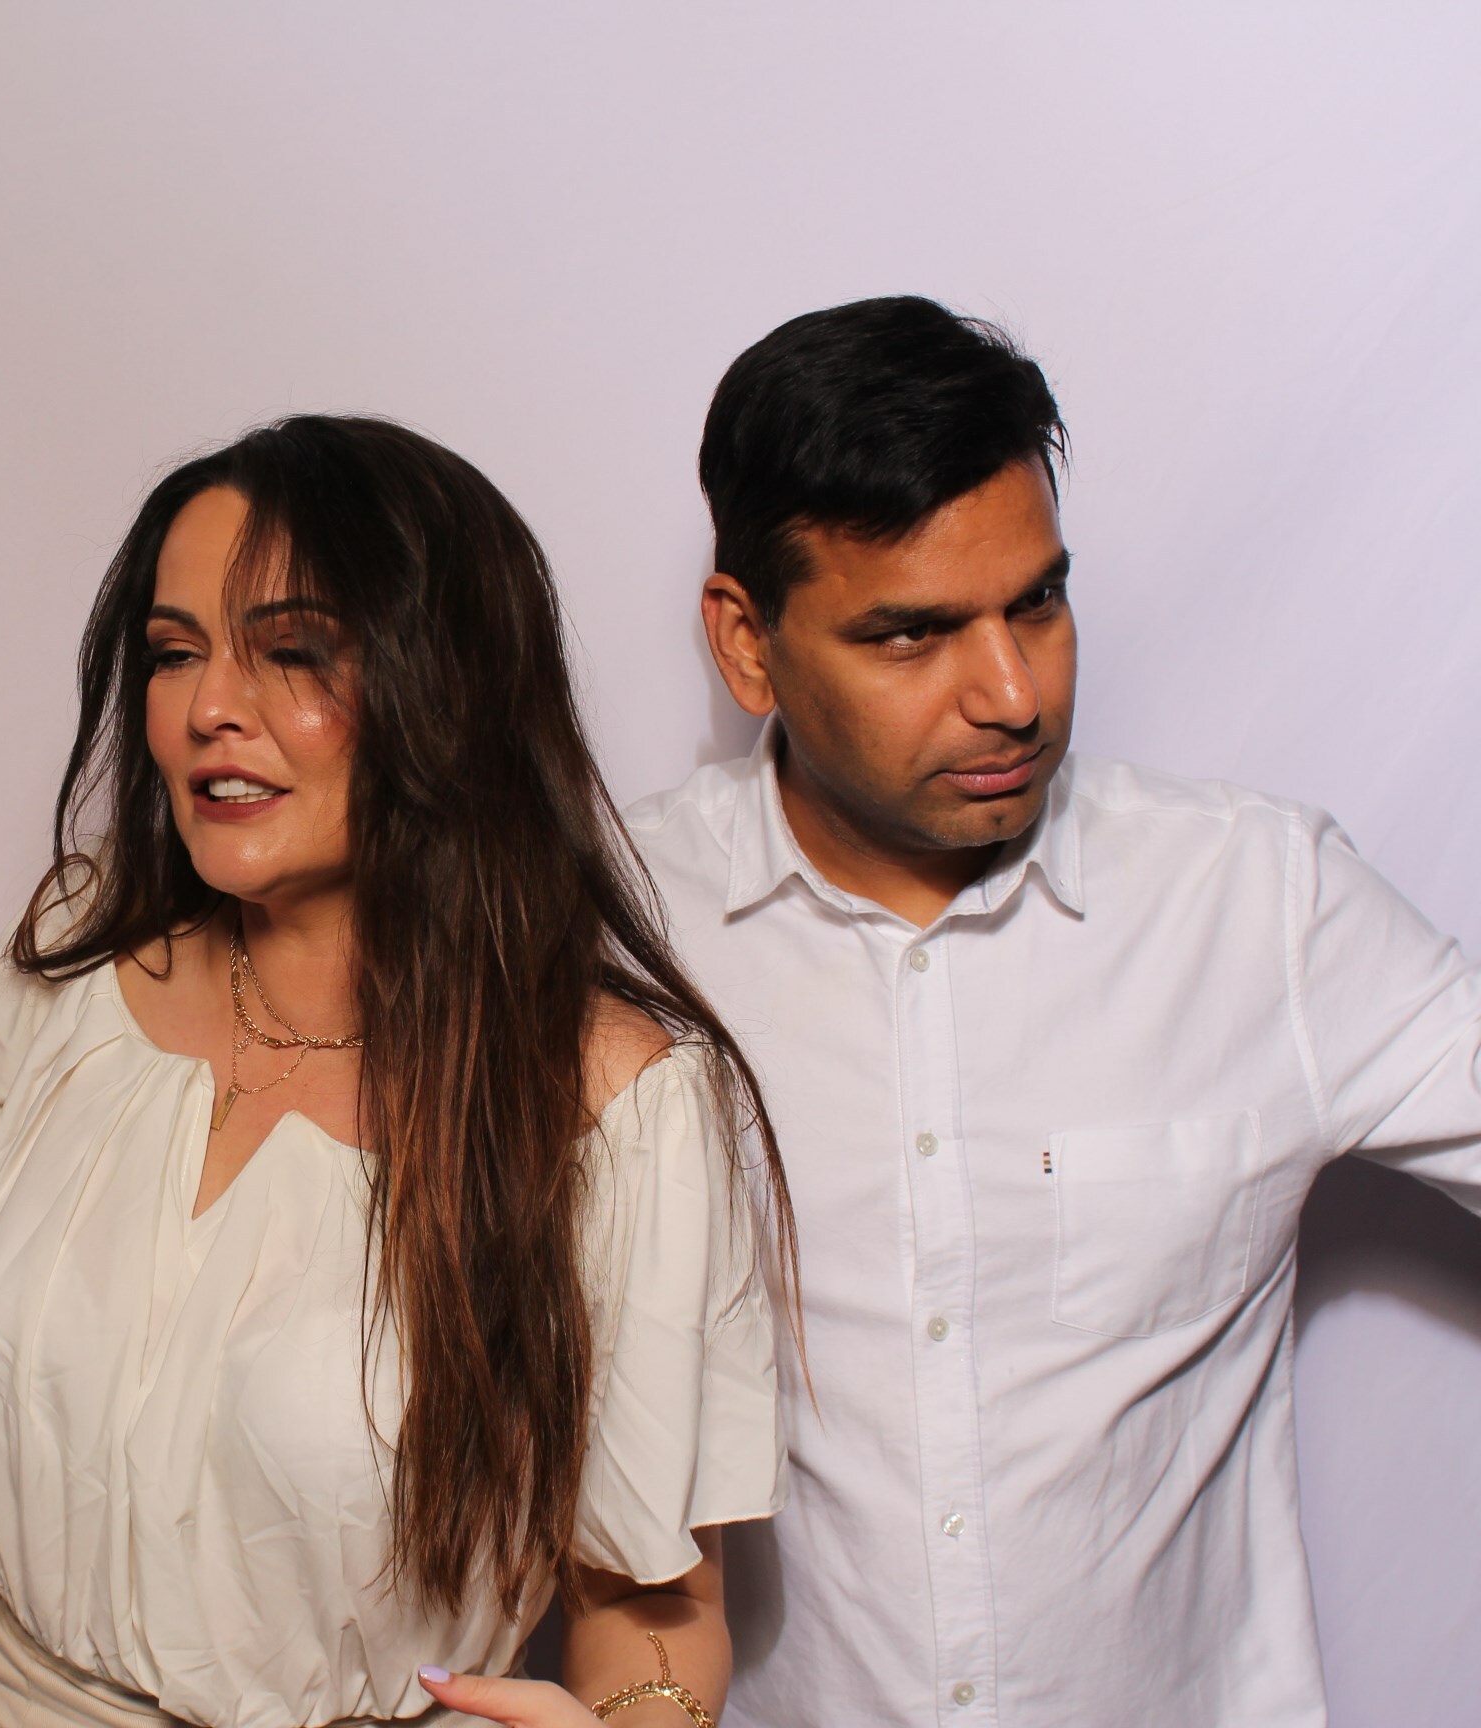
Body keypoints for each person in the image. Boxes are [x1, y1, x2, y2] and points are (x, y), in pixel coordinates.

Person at [0, 416, 791, 1728]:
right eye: (176, 653)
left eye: (293, 651)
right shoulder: (85, 953)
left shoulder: (618, 1107)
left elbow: (652, 1606)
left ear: (449, 687)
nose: (207, 710)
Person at [621, 295, 1481, 1726]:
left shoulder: (1256, 904)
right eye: (912, 636)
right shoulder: (612, 929)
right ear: (747, 642)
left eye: (1036, 603)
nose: (1013, 693)